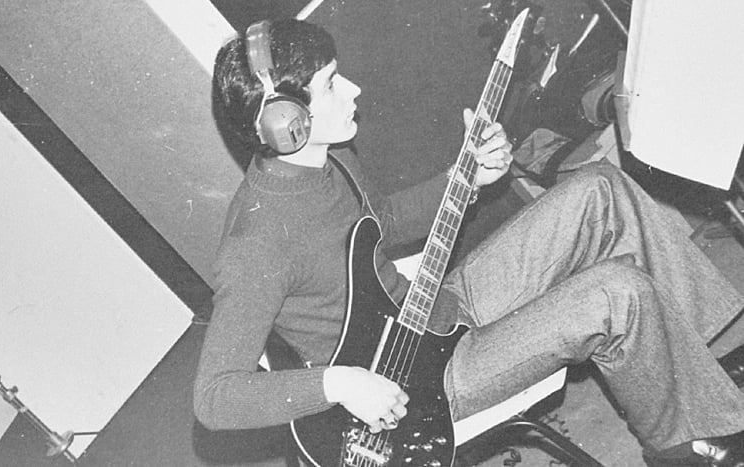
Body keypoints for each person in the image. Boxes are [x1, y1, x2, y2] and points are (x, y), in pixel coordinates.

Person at [194, 18, 744, 466]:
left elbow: (382, 220)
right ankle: (683, 447)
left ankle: (693, 371)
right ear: (286, 121)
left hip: (433, 306)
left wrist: (468, 176)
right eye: (333, 83)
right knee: (616, 293)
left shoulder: (329, 156)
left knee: (600, 190)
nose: (354, 90)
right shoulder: (256, 245)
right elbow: (215, 397)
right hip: (418, 383)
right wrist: (339, 384)